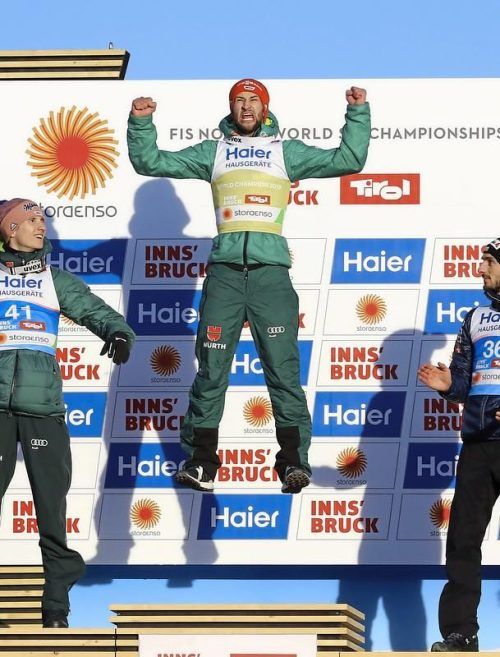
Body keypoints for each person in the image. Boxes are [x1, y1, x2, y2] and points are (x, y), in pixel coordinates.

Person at [128, 79, 370, 494]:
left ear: (265, 108)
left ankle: (293, 463)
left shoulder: (285, 150)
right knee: (211, 372)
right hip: (224, 274)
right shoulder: (214, 151)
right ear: (231, 107)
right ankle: (201, 463)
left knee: (283, 372)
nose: (246, 106)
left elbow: (349, 159)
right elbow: (150, 162)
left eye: (253, 100)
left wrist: (357, 114)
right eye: (239, 100)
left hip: (270, 276)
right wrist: (141, 121)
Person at [0, 198, 135, 628]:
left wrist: (119, 333)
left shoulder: (54, 280)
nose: (41, 226)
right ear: (10, 229)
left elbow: (97, 311)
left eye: (42, 219)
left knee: (51, 512)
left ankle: (55, 603)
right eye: (31, 220)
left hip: (43, 410)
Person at [418, 238, 500, 652]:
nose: (479, 268)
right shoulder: (475, 318)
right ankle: (460, 633)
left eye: (488, 262)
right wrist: (449, 385)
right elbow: (464, 380)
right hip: (479, 444)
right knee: (463, 542)